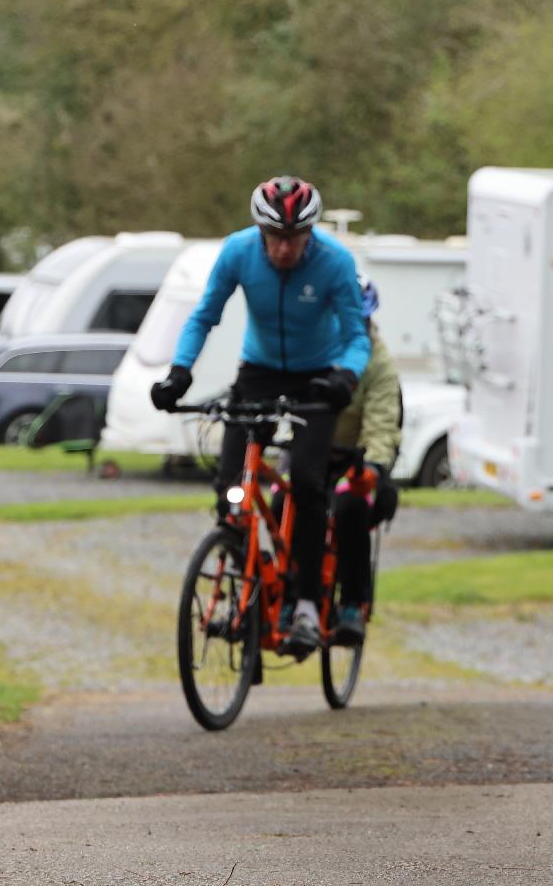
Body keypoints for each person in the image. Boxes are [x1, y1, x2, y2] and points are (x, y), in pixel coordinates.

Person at [150, 176, 370, 657]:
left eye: (295, 237)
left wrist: (345, 377)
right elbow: (204, 315)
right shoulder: (237, 252)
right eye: (274, 237)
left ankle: (306, 604)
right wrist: (179, 372)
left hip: (319, 376)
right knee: (231, 486)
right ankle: (241, 583)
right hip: (260, 371)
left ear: (309, 233)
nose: (284, 248)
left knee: (307, 484)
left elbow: (357, 336)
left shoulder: (335, 261)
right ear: (260, 231)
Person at [326, 273, 402, 648]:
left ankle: (352, 604)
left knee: (350, 506)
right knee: (280, 502)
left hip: (357, 456)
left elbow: (382, 425)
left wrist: (372, 467)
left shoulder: (379, 362)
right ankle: (289, 593)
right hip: (314, 451)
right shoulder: (314, 346)